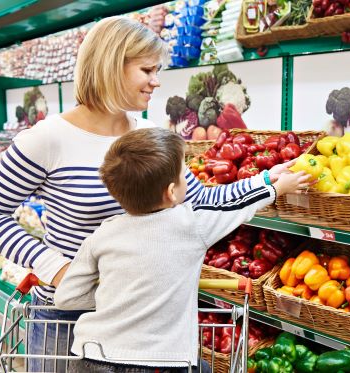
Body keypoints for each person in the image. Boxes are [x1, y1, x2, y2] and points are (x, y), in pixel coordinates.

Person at [0, 16, 295, 372]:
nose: (156, 81)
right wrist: (55, 266)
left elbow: (198, 200)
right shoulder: (46, 140)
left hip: (140, 322)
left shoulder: (148, 136)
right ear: (111, 67)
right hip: (67, 316)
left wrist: (266, 182)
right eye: (147, 70)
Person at [54, 128, 310, 373]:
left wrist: (117, 297)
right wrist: (275, 187)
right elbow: (238, 207)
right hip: (158, 362)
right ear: (171, 192)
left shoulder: (103, 233)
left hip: (90, 357)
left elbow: (66, 297)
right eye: (183, 173)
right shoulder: (191, 224)